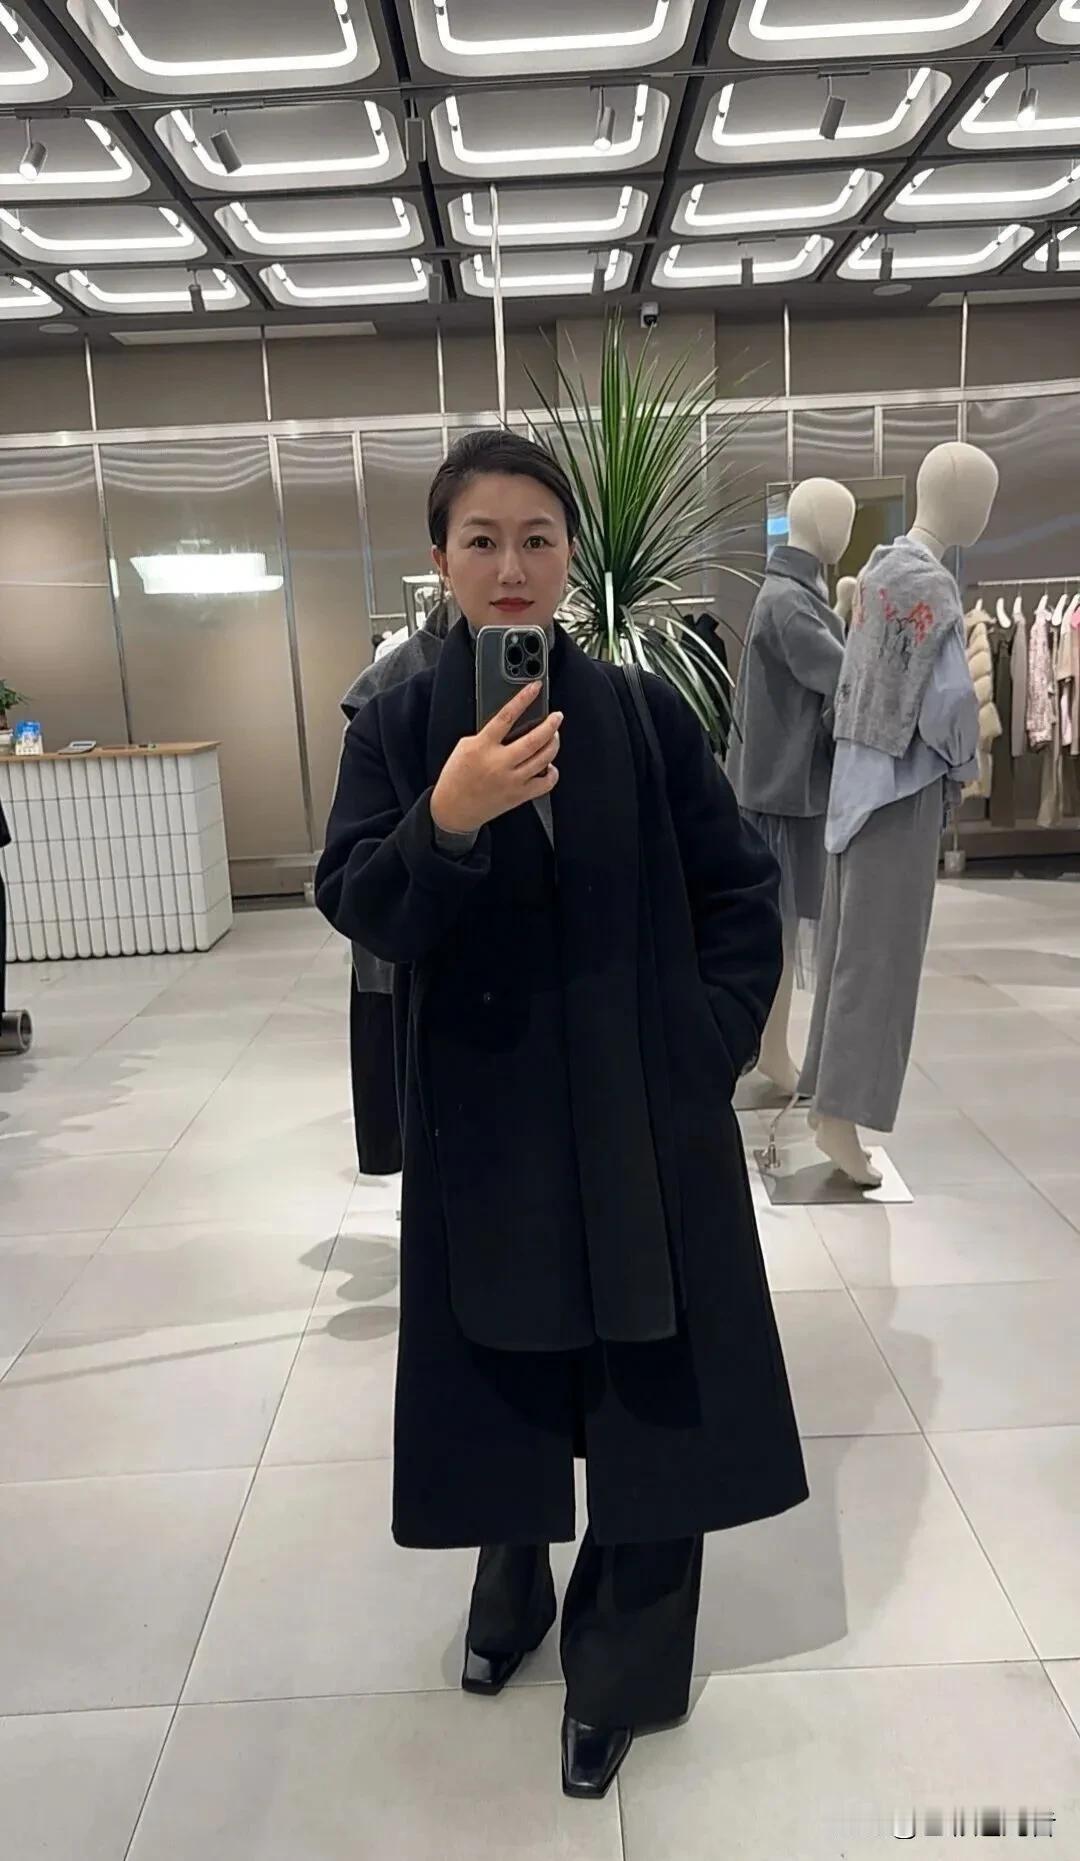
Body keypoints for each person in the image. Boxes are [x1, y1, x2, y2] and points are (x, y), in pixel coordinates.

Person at [316, 429, 808, 1801]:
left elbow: (740, 888)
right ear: (440, 558)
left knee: (651, 1383)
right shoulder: (395, 722)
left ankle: (625, 1669)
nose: (512, 566)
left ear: (573, 556)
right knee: (504, 1354)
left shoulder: (643, 715)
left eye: (538, 537)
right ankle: (511, 1574)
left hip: (645, 1107)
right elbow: (359, 903)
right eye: (482, 539)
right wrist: (447, 818)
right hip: (487, 1116)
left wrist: (703, 1044)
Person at [338, 603, 449, 1177]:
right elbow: (355, 869)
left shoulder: (616, 696)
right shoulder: (388, 687)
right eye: (483, 554)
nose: (510, 570)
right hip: (414, 944)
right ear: (443, 564)